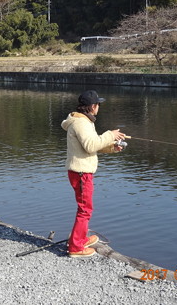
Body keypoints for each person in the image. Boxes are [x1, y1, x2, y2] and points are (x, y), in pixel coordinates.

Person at [61, 90, 125, 258]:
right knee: (85, 209)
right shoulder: (81, 123)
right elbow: (91, 145)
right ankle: (76, 247)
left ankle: (80, 238)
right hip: (81, 172)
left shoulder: (84, 121)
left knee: (85, 208)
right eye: (98, 104)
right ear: (92, 106)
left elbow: (92, 144)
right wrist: (110, 134)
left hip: (81, 171)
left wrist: (112, 147)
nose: (99, 107)